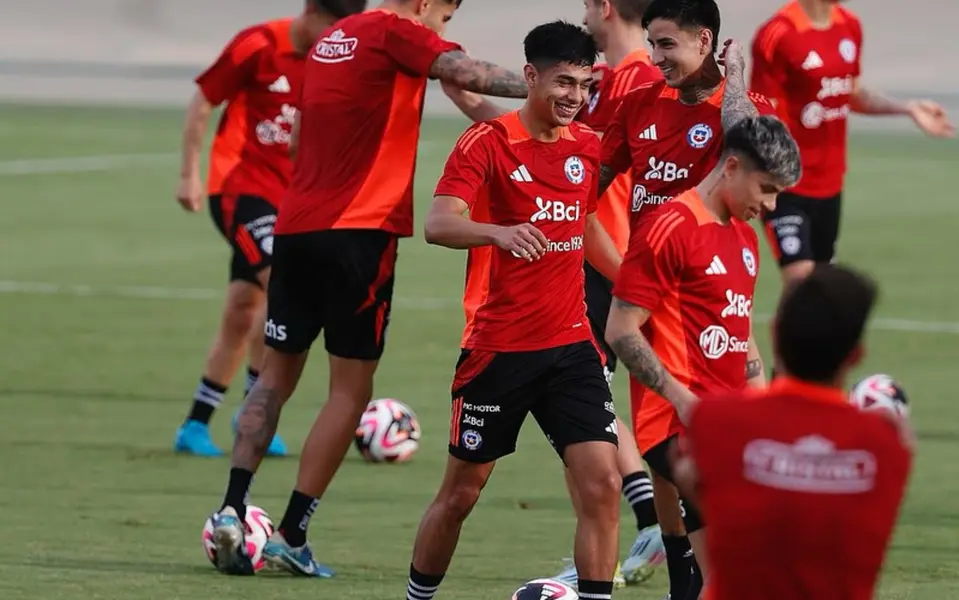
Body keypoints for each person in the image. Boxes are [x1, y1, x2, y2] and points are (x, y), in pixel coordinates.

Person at [204, 0, 530, 578]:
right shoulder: (398, 30)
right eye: (446, 18)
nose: (442, 30)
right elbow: (467, 74)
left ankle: (231, 506)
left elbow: (300, 137)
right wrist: (548, 92)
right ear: (428, 4)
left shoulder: (335, 39)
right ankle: (292, 533)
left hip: (297, 226)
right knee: (349, 390)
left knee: (275, 375)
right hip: (361, 233)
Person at [409, 21, 624, 600]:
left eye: (582, 85)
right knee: (461, 495)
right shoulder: (488, 143)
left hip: (572, 346)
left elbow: (586, 225)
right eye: (562, 82)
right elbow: (437, 224)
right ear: (531, 76)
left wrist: (630, 280)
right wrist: (496, 233)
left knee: (603, 484)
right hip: (498, 351)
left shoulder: (585, 145)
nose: (574, 98)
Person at [595, 1, 774, 597]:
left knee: (701, 463)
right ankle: (682, 577)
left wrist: (738, 79)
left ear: (706, 41)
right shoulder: (640, 103)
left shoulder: (736, 111)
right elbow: (590, 177)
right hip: (652, 307)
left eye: (667, 45)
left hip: (712, 299)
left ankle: (701, 577)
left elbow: (748, 142)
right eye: (651, 42)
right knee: (665, 454)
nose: (655, 57)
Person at [606, 113, 801, 600]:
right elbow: (621, 330)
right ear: (732, 167)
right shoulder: (669, 226)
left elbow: (740, 332)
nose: (770, 205)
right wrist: (684, 400)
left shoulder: (744, 239)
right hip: (675, 423)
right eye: (768, 189)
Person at [172, 0, 367, 458]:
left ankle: (196, 424)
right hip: (238, 190)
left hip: (289, 202)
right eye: (331, 29)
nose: (333, 42)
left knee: (244, 308)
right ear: (311, 12)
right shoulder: (257, 44)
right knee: (283, 285)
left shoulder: (329, 60)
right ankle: (253, 413)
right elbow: (204, 100)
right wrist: (188, 173)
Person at [671, 264, 916, 600]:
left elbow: (690, 475)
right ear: (855, 355)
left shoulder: (717, 421)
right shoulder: (885, 445)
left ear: (774, 335)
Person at [540, 0, 668, 590]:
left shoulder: (633, 80)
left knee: (583, 414)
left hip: (603, 259)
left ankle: (619, 549)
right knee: (599, 408)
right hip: (601, 260)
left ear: (605, 7)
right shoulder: (612, 81)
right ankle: (647, 530)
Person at [750, 0, 954, 287]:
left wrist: (906, 108)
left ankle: (809, 333)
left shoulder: (849, 25)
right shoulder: (778, 33)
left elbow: (852, 93)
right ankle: (788, 333)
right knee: (799, 279)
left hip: (830, 183)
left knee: (820, 284)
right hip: (785, 183)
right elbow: (760, 110)